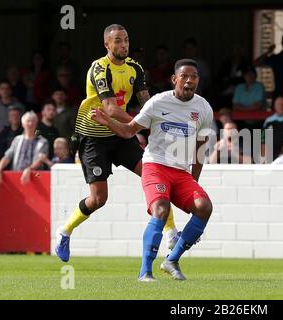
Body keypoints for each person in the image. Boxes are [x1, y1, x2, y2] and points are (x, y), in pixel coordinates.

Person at [54, 24, 180, 263]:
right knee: (99, 199)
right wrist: (141, 125)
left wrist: (161, 119)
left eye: (126, 40)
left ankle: (171, 232)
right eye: (118, 41)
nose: (124, 45)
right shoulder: (99, 69)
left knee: (154, 176)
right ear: (107, 45)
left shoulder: (135, 68)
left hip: (120, 133)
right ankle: (65, 231)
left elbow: (146, 103)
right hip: (93, 137)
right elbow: (111, 108)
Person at [91, 59, 214, 282]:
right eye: (184, 76)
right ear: (174, 79)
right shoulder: (158, 102)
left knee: (204, 207)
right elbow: (129, 131)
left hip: (181, 173)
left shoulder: (203, 108)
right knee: (161, 209)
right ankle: (145, 272)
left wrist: (194, 181)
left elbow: (201, 147)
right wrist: (107, 121)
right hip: (155, 166)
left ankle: (171, 260)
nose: (189, 81)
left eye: (194, 77)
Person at [0, 111, 48, 185]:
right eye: (28, 121)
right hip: (16, 176)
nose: (30, 123)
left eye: (33, 121)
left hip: (35, 178)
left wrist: (29, 169)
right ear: (23, 124)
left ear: (36, 124)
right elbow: (7, 156)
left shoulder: (42, 141)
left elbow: (40, 160)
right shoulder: (17, 139)